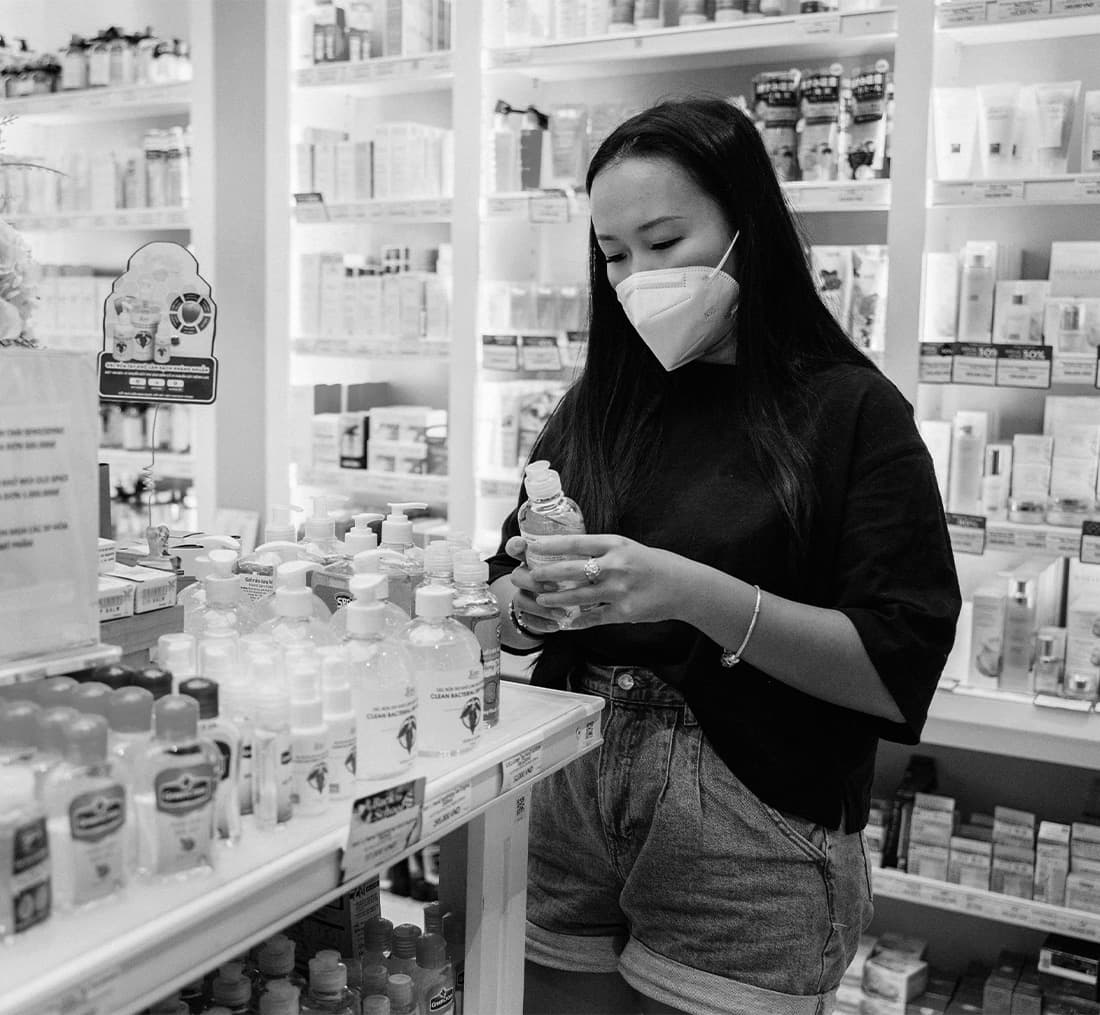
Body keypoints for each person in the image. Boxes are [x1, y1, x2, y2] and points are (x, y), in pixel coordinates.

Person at [486, 98, 961, 1015]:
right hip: (571, 788)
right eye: (614, 254)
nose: (638, 277)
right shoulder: (598, 407)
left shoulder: (852, 414)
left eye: (665, 242)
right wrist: (527, 606)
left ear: (748, 227)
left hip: (750, 822)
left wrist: (692, 593)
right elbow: (504, 596)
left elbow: (894, 669)